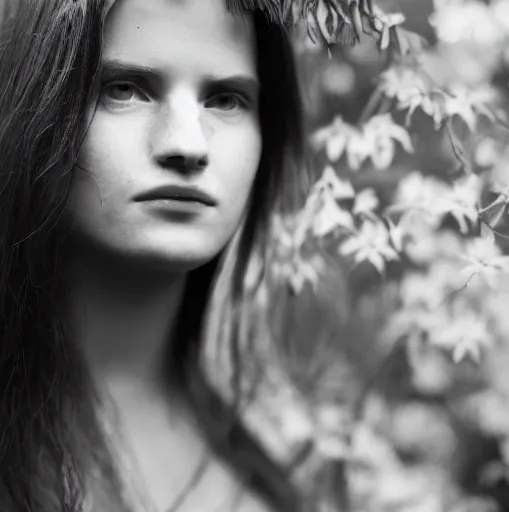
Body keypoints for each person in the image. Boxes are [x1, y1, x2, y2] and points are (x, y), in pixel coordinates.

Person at [0, 0, 368, 510]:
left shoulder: (298, 451)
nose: (188, 144)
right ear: (29, 101)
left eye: (225, 99)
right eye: (123, 90)